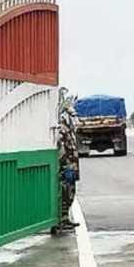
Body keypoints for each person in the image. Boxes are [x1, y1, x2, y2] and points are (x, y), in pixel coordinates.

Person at [54, 97, 81, 233]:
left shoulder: (71, 132)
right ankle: (61, 220)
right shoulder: (62, 131)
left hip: (72, 166)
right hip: (66, 167)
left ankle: (65, 219)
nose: (76, 121)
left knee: (71, 193)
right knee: (64, 194)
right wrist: (65, 166)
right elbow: (61, 149)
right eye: (73, 117)